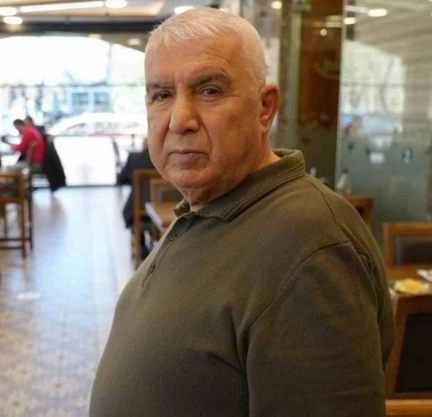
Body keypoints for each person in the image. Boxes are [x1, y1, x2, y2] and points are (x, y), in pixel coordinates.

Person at [90, 8, 394, 417]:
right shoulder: (211, 202)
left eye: (209, 91)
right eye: (161, 95)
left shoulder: (310, 245)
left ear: (264, 108)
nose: (179, 120)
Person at [117, 139, 156, 228]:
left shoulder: (133, 158)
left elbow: (122, 179)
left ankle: (138, 233)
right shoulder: (162, 161)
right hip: (162, 207)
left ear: (143, 145)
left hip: (137, 209)